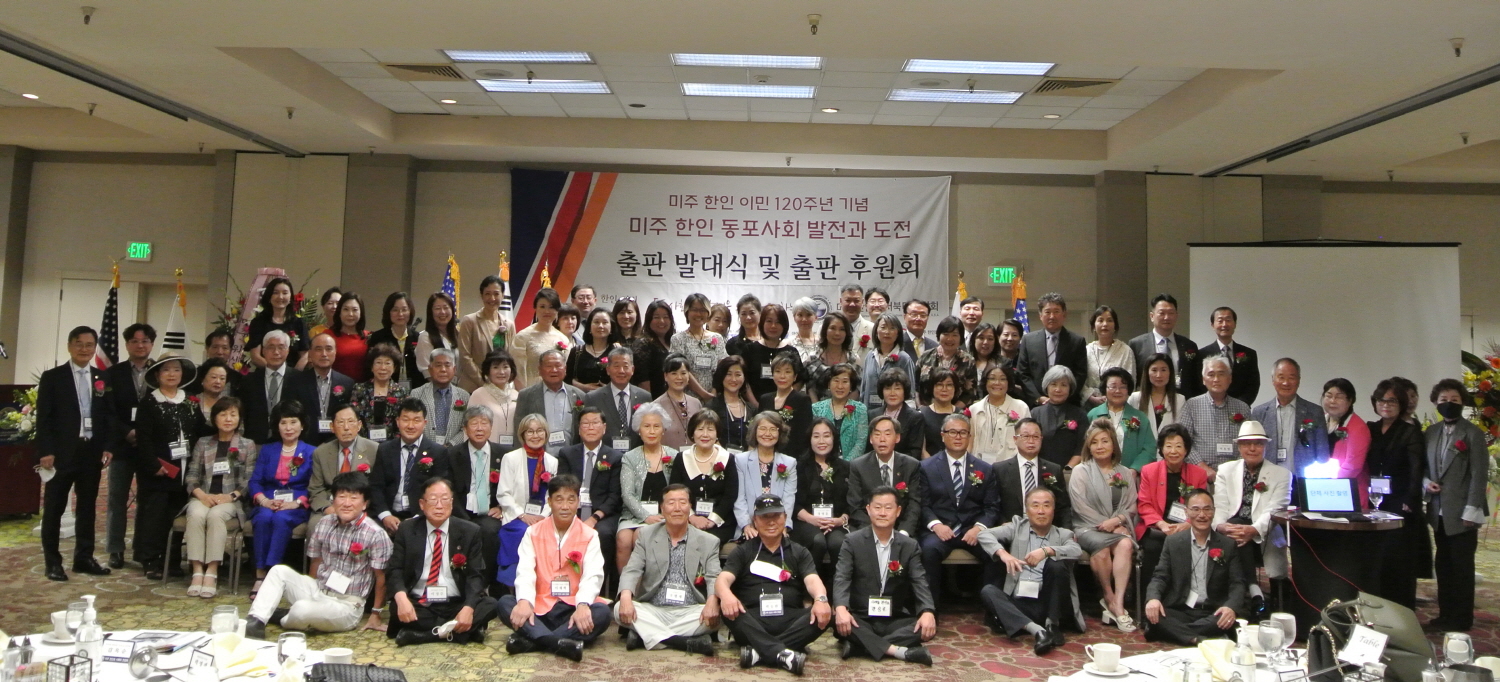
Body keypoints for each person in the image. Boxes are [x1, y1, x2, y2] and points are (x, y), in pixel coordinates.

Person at [245, 471, 391, 638]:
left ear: (364, 504)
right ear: (333, 500)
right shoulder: (324, 523)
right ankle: (255, 622)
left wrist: (376, 614)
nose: (347, 503)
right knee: (279, 571)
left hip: (346, 605)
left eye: (353, 498)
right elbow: (316, 561)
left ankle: (285, 618)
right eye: (342, 497)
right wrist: (309, 590)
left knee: (301, 609)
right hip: (319, 591)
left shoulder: (375, 534)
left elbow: (381, 577)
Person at [494, 474, 610, 658]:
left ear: (578, 502)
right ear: (550, 502)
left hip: (571, 608)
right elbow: (525, 571)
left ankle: (532, 640)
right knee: (505, 603)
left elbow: (593, 575)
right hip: (539, 607)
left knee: (602, 613)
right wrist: (524, 602)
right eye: (559, 499)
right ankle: (559, 643)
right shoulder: (533, 532)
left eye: (571, 500)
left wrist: (582, 605)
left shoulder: (590, 535)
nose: (565, 506)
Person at [716, 494, 832, 675]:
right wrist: (726, 595)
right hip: (753, 621)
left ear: (785, 518)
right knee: (728, 610)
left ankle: (759, 652)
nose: (771, 522)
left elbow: (812, 580)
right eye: (764, 517)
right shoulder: (743, 551)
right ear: (755, 521)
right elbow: (722, 580)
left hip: (790, 619)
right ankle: (784, 652)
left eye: (776, 516)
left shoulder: (799, 551)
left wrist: (821, 599)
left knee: (823, 612)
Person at [35, 326, 114, 581]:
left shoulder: (102, 377)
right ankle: (53, 563)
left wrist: (108, 446)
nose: (84, 349)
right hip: (61, 453)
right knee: (54, 509)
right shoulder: (53, 377)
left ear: (94, 348)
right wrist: (46, 450)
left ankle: (84, 558)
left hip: (91, 452)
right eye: (79, 344)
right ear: (70, 346)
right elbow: (44, 418)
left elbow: (108, 415)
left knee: (87, 508)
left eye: (89, 345)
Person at [831, 485, 936, 666]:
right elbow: (842, 577)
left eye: (888, 508)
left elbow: (920, 581)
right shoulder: (852, 541)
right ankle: (898, 651)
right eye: (877, 507)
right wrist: (841, 608)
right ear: (868, 509)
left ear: (898, 511)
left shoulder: (909, 545)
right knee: (838, 620)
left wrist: (927, 611)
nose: (882, 513)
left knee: (925, 626)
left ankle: (861, 646)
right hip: (860, 617)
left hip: (893, 617)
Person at [387, 478, 499, 646]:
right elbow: (395, 569)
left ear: (452, 503)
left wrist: (468, 608)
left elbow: (475, 575)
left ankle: (423, 636)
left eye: (445, 499)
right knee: (397, 606)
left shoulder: (470, 531)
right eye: (433, 500)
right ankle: (460, 632)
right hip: (421, 602)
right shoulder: (407, 529)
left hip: (455, 602)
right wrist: (402, 598)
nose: (439, 506)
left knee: (491, 604)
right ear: (422, 504)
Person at [615, 484, 722, 655]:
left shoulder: (708, 541)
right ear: (662, 508)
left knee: (716, 613)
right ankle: (684, 642)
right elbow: (632, 569)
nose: (677, 508)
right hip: (653, 609)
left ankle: (646, 636)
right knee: (619, 607)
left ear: (690, 507)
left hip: (691, 610)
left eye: (683, 502)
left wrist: (711, 602)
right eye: (671, 503)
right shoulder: (647, 535)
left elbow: (714, 576)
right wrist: (626, 597)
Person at [978, 487, 1084, 654]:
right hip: (1022, 600)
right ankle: (1038, 631)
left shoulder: (1063, 534)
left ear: (1053, 510)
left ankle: (1052, 624)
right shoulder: (1017, 527)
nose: (1041, 511)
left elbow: (1076, 551)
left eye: (1046, 505)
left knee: (1055, 565)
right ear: (1027, 511)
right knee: (988, 591)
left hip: (1050, 602)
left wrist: (1047, 551)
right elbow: (984, 535)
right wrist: (1004, 554)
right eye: (1035, 505)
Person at [132, 352, 206, 580]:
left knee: (176, 515)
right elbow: (143, 438)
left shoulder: (190, 400)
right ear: (157, 375)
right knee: (154, 517)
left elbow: (201, 430)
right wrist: (153, 464)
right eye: (166, 370)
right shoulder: (149, 402)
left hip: (184, 469)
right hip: (158, 470)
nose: (171, 374)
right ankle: (151, 561)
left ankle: (172, 561)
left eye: (176, 369)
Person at [1424, 379, 1488, 631]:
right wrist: (1426, 483)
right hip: (1438, 511)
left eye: (1454, 400)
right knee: (1443, 566)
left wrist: (1472, 509)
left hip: (1463, 513)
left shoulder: (1472, 433)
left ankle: (1461, 620)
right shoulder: (1431, 432)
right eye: (1443, 400)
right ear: (1435, 402)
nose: (1448, 404)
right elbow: (1425, 468)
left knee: (1461, 568)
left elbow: (1478, 475)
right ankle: (1445, 615)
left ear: (1462, 403)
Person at [1143, 488, 1244, 645]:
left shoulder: (1227, 544)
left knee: (1223, 619)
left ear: (1214, 511)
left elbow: (1237, 583)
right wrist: (1153, 599)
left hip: (1212, 611)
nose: (1202, 515)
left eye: (1207, 509)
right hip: (1180, 609)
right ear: (1186, 512)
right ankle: (1198, 639)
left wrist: (1230, 607)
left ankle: (1177, 633)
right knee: (1157, 614)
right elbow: (1160, 576)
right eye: (1195, 509)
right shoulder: (1173, 542)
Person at [1212, 421, 1292, 616]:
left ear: (1265, 447)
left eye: (1258, 444)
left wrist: (1254, 530)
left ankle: (1247, 595)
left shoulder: (1282, 474)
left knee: (1239, 530)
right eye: (1247, 444)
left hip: (1265, 532)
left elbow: (1275, 510)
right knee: (1236, 527)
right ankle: (1254, 592)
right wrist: (1220, 526)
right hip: (1232, 530)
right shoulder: (1225, 470)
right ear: (1239, 447)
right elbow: (1220, 505)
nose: (1252, 448)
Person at [918, 413, 998, 605]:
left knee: (995, 553)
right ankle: (929, 610)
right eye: (952, 432)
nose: (958, 437)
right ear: (942, 435)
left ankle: (993, 610)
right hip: (940, 529)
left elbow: (992, 507)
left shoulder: (984, 469)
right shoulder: (926, 467)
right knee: (928, 551)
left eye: (963, 432)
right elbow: (922, 504)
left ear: (970, 436)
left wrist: (978, 528)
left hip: (972, 529)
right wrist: (936, 525)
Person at [1067, 419, 1138, 632]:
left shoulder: (1125, 472)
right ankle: (1108, 596)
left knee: (1125, 544)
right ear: (1088, 447)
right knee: (1102, 549)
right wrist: (1105, 524)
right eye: (1094, 442)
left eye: (1105, 441)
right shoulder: (1081, 471)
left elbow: (1131, 505)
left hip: (1116, 526)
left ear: (1113, 444)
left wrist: (1117, 521)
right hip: (1087, 527)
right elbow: (1080, 507)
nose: (1100, 446)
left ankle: (1118, 602)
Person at [183, 397, 254, 597]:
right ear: (214, 418)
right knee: (196, 514)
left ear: (239, 419)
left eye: (233, 414)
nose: (228, 419)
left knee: (215, 516)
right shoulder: (203, 443)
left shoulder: (247, 445)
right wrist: (202, 495)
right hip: (203, 496)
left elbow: (249, 479)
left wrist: (231, 496)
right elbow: (191, 475)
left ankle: (212, 570)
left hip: (230, 500)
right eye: (223, 414)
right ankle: (197, 570)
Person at [1365, 378, 1426, 608]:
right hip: (1374, 500)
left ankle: (1402, 612)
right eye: (1382, 400)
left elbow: (1416, 469)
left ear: (1401, 404)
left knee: (1399, 561)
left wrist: (1410, 500)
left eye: (1392, 401)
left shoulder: (1410, 432)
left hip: (1401, 502)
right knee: (1376, 558)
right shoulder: (1372, 428)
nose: (1386, 405)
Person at [1134, 423, 1210, 599]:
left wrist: (1188, 524)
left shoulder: (1198, 474)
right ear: (1161, 449)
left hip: (1186, 528)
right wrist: (1161, 524)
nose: (1173, 451)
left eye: (1178, 446)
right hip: (1156, 528)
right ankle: (1149, 600)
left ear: (1186, 449)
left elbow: (1202, 506)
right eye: (1168, 446)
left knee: (1186, 545)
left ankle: (1180, 600)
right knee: (1153, 548)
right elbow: (1144, 504)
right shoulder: (1149, 471)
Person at [247, 401, 315, 596]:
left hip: (296, 503)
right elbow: (255, 481)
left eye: (293, 422)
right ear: (277, 426)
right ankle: (260, 574)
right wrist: (264, 501)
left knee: (280, 519)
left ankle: (272, 572)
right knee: (263, 518)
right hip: (269, 501)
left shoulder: (311, 451)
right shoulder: (267, 450)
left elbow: (315, 485)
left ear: (302, 425)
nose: (288, 428)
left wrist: (296, 502)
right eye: (283, 423)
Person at [104, 322, 155, 569]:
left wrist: (144, 434)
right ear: (127, 345)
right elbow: (107, 411)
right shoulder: (113, 373)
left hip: (150, 447)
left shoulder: (160, 371)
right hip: (122, 445)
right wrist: (127, 432)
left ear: (152, 344)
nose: (140, 345)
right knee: (117, 499)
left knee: (147, 500)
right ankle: (115, 549)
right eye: (135, 341)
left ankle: (142, 550)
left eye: (145, 341)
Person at [493, 413, 560, 585]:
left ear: (546, 433)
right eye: (530, 431)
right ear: (522, 434)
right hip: (516, 516)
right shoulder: (511, 458)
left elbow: (552, 496)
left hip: (543, 517)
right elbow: (503, 494)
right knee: (524, 532)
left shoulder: (552, 462)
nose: (535, 435)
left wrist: (542, 517)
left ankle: (543, 584)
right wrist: (523, 515)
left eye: (539, 431)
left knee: (545, 533)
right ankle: (514, 584)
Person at [555, 407, 622, 575]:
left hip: (601, 514)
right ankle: (565, 578)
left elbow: (614, 496)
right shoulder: (567, 454)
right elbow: (562, 488)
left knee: (603, 533)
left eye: (595, 423)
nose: (590, 427)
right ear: (579, 429)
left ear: (604, 428)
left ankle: (599, 580)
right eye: (585, 423)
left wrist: (594, 518)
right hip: (572, 510)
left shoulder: (615, 457)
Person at [445, 405, 506, 590]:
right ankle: (462, 585)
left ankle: (485, 584)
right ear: (465, 428)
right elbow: (449, 490)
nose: (479, 428)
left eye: (484, 423)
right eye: (474, 423)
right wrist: (462, 517)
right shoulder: (452, 454)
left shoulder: (504, 454)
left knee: (489, 531)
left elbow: (512, 486)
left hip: (489, 512)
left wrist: (502, 507)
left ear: (491, 427)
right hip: (461, 512)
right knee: (466, 529)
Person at [369, 398, 452, 532]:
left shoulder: (438, 452)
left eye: (416, 420)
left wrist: (418, 518)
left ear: (424, 423)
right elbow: (376, 486)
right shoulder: (385, 449)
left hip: (422, 517)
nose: (410, 426)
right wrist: (385, 515)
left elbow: (438, 492)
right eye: (406, 420)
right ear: (398, 421)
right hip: (388, 515)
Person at [617, 404, 678, 568]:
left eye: (656, 426)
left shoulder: (674, 456)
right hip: (633, 514)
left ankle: (645, 583)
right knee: (623, 539)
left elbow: (677, 492)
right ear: (639, 430)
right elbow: (627, 494)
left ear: (663, 430)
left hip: (663, 515)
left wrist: (663, 515)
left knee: (641, 535)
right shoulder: (630, 457)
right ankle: (625, 584)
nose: (651, 431)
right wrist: (645, 516)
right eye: (646, 426)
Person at [670, 409, 740, 546]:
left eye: (710, 430)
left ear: (717, 434)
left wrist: (713, 519)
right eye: (700, 429)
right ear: (692, 433)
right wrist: (692, 517)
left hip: (721, 522)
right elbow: (675, 492)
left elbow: (730, 495)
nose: (705, 434)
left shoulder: (728, 458)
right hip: (687, 519)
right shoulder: (682, 458)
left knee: (707, 542)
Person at [1249, 358, 1331, 474]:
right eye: (1281, 377)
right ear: (1273, 380)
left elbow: (1322, 451)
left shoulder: (1314, 412)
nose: (1286, 383)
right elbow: (1253, 450)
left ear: (1298, 380)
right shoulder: (1259, 412)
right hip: (1268, 478)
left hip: (1302, 477)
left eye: (1291, 378)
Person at [848, 416, 926, 536]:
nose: (882, 439)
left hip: (901, 529)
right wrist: (877, 531)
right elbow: (855, 506)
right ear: (871, 439)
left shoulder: (911, 465)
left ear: (897, 437)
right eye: (877, 434)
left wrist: (904, 532)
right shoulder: (858, 466)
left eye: (887, 434)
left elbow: (914, 504)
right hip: (868, 529)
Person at [792, 418, 851, 576]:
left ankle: (836, 589)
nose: (821, 441)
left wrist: (841, 520)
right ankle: (809, 587)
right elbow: (792, 502)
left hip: (836, 523)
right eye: (816, 436)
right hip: (805, 521)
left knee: (838, 542)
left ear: (834, 438)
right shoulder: (798, 467)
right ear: (809, 439)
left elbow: (852, 502)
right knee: (817, 541)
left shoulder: (846, 467)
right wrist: (811, 519)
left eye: (826, 435)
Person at [993, 418, 1072, 527]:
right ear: (1015, 439)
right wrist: (1002, 524)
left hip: (1046, 529)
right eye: (1026, 436)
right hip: (1011, 529)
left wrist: (1067, 531)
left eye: (1035, 436)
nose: (1031, 441)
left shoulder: (1054, 469)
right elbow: (993, 505)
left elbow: (1063, 507)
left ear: (1041, 439)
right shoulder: (1000, 470)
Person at [1179, 356, 1252, 471]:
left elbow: (1248, 443)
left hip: (1235, 473)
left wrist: (1235, 470)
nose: (1216, 379)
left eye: (1221, 374)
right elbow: (1184, 441)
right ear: (1203, 379)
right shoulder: (1191, 405)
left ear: (1230, 378)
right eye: (1211, 375)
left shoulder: (1243, 408)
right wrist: (1202, 467)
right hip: (1199, 473)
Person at [737, 411, 800, 541]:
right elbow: (739, 498)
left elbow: (788, 499)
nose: (767, 434)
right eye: (763, 429)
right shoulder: (741, 460)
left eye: (773, 429)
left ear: (779, 433)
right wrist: (746, 525)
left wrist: (784, 527)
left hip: (777, 524)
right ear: (755, 431)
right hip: (751, 525)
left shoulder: (789, 463)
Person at [1016, 292, 1087, 404]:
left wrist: (1063, 396)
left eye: (1056, 311)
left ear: (1064, 314)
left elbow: (1080, 374)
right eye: (1047, 312)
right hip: (1036, 405)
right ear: (1040, 315)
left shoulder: (1077, 341)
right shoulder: (1028, 340)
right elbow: (1023, 374)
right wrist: (1038, 398)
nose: (1052, 316)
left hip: (1068, 404)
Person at [1127, 294, 1201, 398]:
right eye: (1162, 313)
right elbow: (1132, 379)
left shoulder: (1189, 345)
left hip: (1182, 401)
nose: (1167, 317)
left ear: (1176, 316)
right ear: (1152, 316)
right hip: (1148, 400)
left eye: (1171, 313)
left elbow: (1195, 380)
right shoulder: (1137, 344)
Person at [287, 332, 355, 446]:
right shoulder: (296, 382)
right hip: (305, 443)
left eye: (329, 349)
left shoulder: (347, 383)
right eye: (318, 349)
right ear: (310, 354)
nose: (324, 354)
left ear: (335, 352)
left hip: (338, 443)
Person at [308, 404, 377, 513]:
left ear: (359, 425)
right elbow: (316, 489)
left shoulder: (374, 449)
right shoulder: (321, 452)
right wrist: (327, 508)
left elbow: (377, 488)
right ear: (332, 427)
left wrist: (359, 507)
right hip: (330, 506)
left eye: (351, 421)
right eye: (340, 422)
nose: (346, 427)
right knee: (315, 522)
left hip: (362, 508)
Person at [513, 349, 585, 453]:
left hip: (571, 456)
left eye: (558, 365)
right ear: (540, 370)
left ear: (565, 369)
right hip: (538, 455)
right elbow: (519, 431)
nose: (554, 370)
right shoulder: (526, 395)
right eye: (548, 366)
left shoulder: (579, 395)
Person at [1087, 367, 1157, 470]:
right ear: (1104, 389)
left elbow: (1149, 449)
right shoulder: (1093, 415)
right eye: (1113, 386)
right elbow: (1084, 447)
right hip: (1096, 472)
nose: (1117, 391)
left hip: (1130, 473)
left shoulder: (1140, 417)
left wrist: (1134, 470)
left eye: (1123, 387)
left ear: (1128, 390)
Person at [583, 346, 650, 452]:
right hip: (604, 456)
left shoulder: (645, 397)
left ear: (632, 370)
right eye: (616, 366)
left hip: (636, 454)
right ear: (608, 370)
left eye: (625, 366)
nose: (621, 371)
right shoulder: (593, 398)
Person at [455, 276, 514, 392]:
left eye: (496, 294)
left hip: (500, 388)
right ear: (481, 295)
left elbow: (511, 357)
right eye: (487, 294)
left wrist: (500, 382)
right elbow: (465, 357)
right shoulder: (469, 321)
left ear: (502, 295)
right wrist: (485, 382)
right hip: (473, 387)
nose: (492, 298)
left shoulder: (509, 325)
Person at [665, 294, 728, 400]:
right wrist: (704, 394)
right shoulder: (678, 339)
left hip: (714, 397)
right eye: (694, 309)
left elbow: (722, 368)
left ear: (708, 313)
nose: (699, 314)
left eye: (703, 310)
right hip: (686, 397)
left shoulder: (717, 338)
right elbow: (680, 370)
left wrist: (714, 392)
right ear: (687, 312)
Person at [236, 329, 293, 444]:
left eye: (281, 347)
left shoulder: (299, 379)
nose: (276, 352)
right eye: (271, 347)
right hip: (255, 442)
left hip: (290, 442)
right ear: (263, 351)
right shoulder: (249, 381)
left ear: (288, 351)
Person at [1323, 378, 1372, 507]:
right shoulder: (1320, 421)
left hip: (1347, 492)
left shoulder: (1358, 427)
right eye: (1328, 396)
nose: (1332, 401)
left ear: (1350, 401)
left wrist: (1328, 485)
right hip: (1322, 491)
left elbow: (1353, 466)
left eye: (1339, 397)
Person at [1197, 307, 1259, 406]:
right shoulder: (1202, 354)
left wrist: (1240, 405)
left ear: (1235, 324)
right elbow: (1199, 384)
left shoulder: (1249, 353)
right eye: (1220, 321)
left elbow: (1253, 384)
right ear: (1212, 325)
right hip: (1210, 407)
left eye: (1228, 320)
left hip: (1240, 409)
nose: (1224, 324)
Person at [512, 287, 571, 390]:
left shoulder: (563, 339)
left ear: (557, 310)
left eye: (551, 307)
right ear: (535, 308)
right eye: (542, 306)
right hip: (530, 391)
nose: (547, 311)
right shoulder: (523, 337)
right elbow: (517, 373)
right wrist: (524, 395)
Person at [969, 365, 1031, 463]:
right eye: (992, 378)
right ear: (985, 382)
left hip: (1010, 466)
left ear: (1008, 382)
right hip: (979, 465)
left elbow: (1027, 440)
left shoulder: (1021, 408)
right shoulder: (974, 409)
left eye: (1002, 379)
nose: (997, 383)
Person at [349, 343, 410, 443]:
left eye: (387, 363)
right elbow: (353, 418)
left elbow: (405, 420)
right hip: (363, 443)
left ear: (394, 368)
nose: (383, 367)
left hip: (393, 445)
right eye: (378, 363)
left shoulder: (401, 391)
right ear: (372, 367)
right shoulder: (360, 389)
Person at [410, 348, 471, 447]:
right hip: (424, 448)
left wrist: (451, 444)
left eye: (447, 365)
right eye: (438, 365)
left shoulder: (464, 396)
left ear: (454, 369)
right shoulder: (416, 394)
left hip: (454, 449)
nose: (443, 369)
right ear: (430, 369)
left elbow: (466, 427)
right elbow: (413, 424)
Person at [246, 277, 309, 369]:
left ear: (290, 297)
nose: (280, 297)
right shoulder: (258, 322)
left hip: (293, 374)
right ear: (269, 296)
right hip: (266, 373)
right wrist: (274, 372)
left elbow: (305, 355)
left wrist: (292, 374)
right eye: (275, 293)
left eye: (285, 293)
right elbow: (255, 356)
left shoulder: (299, 323)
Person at [1080, 305, 1136, 408]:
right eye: (1100, 320)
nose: (1105, 324)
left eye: (1109, 320)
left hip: (1119, 405)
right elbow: (1080, 380)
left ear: (1115, 326)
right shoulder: (1086, 350)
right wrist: (1091, 397)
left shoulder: (1124, 350)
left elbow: (1130, 381)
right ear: (1094, 326)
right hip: (1090, 406)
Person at [1032, 366, 1088, 468]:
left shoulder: (1080, 415)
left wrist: (1068, 469)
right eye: (1053, 384)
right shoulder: (1035, 413)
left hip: (1070, 470)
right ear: (1046, 386)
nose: (1058, 389)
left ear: (1070, 388)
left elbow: (1082, 447)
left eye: (1064, 385)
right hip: (1040, 469)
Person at [859, 312, 917, 409]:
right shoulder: (870, 356)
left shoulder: (904, 358)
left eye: (892, 328)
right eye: (883, 327)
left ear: (898, 333)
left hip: (895, 413)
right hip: (869, 412)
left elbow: (910, 394)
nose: (887, 332)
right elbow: (863, 389)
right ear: (876, 331)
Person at [759, 353, 812, 458]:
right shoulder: (765, 399)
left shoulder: (802, 400)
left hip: (792, 456)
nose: (782, 376)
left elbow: (804, 436)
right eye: (778, 371)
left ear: (795, 376)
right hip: (765, 455)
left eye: (787, 372)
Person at [917, 316, 978, 406]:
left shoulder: (968, 361)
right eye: (946, 334)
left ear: (961, 338)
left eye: (954, 335)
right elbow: (916, 387)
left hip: (956, 411)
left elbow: (970, 393)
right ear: (939, 335)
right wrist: (922, 409)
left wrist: (952, 411)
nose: (950, 339)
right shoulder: (925, 357)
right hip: (926, 410)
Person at [366, 292, 423, 389]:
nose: (400, 314)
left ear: (410, 311)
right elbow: (370, 367)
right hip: (386, 390)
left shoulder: (418, 337)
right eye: (395, 310)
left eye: (404, 309)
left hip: (415, 390)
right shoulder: (378, 337)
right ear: (388, 312)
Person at [811, 363, 867, 459]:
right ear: (829, 384)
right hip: (823, 461)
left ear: (851, 385)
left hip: (852, 464)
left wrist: (845, 464)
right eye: (836, 381)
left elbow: (860, 442)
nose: (840, 386)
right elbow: (814, 439)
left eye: (845, 381)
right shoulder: (816, 408)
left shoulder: (860, 409)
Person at [743, 303, 799, 399]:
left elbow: (799, 380)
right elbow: (745, 381)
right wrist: (755, 404)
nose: (773, 326)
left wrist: (784, 400)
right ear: (762, 323)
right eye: (769, 321)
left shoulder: (791, 351)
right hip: (754, 404)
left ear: (784, 325)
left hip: (785, 404)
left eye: (778, 322)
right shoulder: (750, 349)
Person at [468, 350, 519, 448]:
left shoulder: (517, 395)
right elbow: (470, 428)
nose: (501, 372)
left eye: (505, 367)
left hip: (514, 450)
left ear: (511, 370)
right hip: (487, 450)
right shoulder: (478, 395)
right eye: (496, 367)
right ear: (488, 371)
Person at [654, 353, 705, 449]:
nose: (679, 377)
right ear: (665, 376)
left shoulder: (696, 403)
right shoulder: (656, 405)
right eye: (674, 373)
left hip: (693, 455)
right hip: (667, 456)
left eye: (683, 373)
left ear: (689, 376)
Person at [704, 355, 755, 452]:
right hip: (718, 458)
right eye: (729, 374)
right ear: (721, 376)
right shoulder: (711, 407)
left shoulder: (752, 409)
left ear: (744, 377)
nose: (733, 379)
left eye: (738, 375)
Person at [870, 369, 923, 459]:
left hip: (903, 465)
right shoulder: (872, 414)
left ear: (904, 391)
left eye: (897, 388)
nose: (892, 393)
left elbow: (915, 452)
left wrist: (892, 463)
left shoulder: (915, 418)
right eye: (888, 388)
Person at [1130, 354, 1184, 438]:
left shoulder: (1179, 400)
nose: (1159, 375)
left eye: (1163, 370)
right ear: (1147, 372)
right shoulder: (1135, 398)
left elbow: (1180, 431)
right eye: (1154, 370)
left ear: (1170, 372)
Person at [802, 313, 853, 402]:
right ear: (825, 331)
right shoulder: (813, 359)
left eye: (842, 329)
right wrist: (818, 408)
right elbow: (810, 388)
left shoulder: (853, 359)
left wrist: (843, 408)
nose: (837, 333)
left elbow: (856, 389)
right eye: (832, 328)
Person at [415, 292, 459, 387]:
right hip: (438, 389)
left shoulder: (458, 335)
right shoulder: (425, 337)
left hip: (460, 388)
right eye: (437, 308)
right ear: (431, 312)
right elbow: (427, 372)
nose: (442, 312)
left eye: (446, 307)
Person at [634, 299, 675, 397]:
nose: (662, 321)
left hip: (673, 399)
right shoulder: (643, 344)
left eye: (666, 317)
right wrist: (649, 403)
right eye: (656, 317)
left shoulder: (674, 341)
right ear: (649, 320)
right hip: (654, 399)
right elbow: (643, 380)